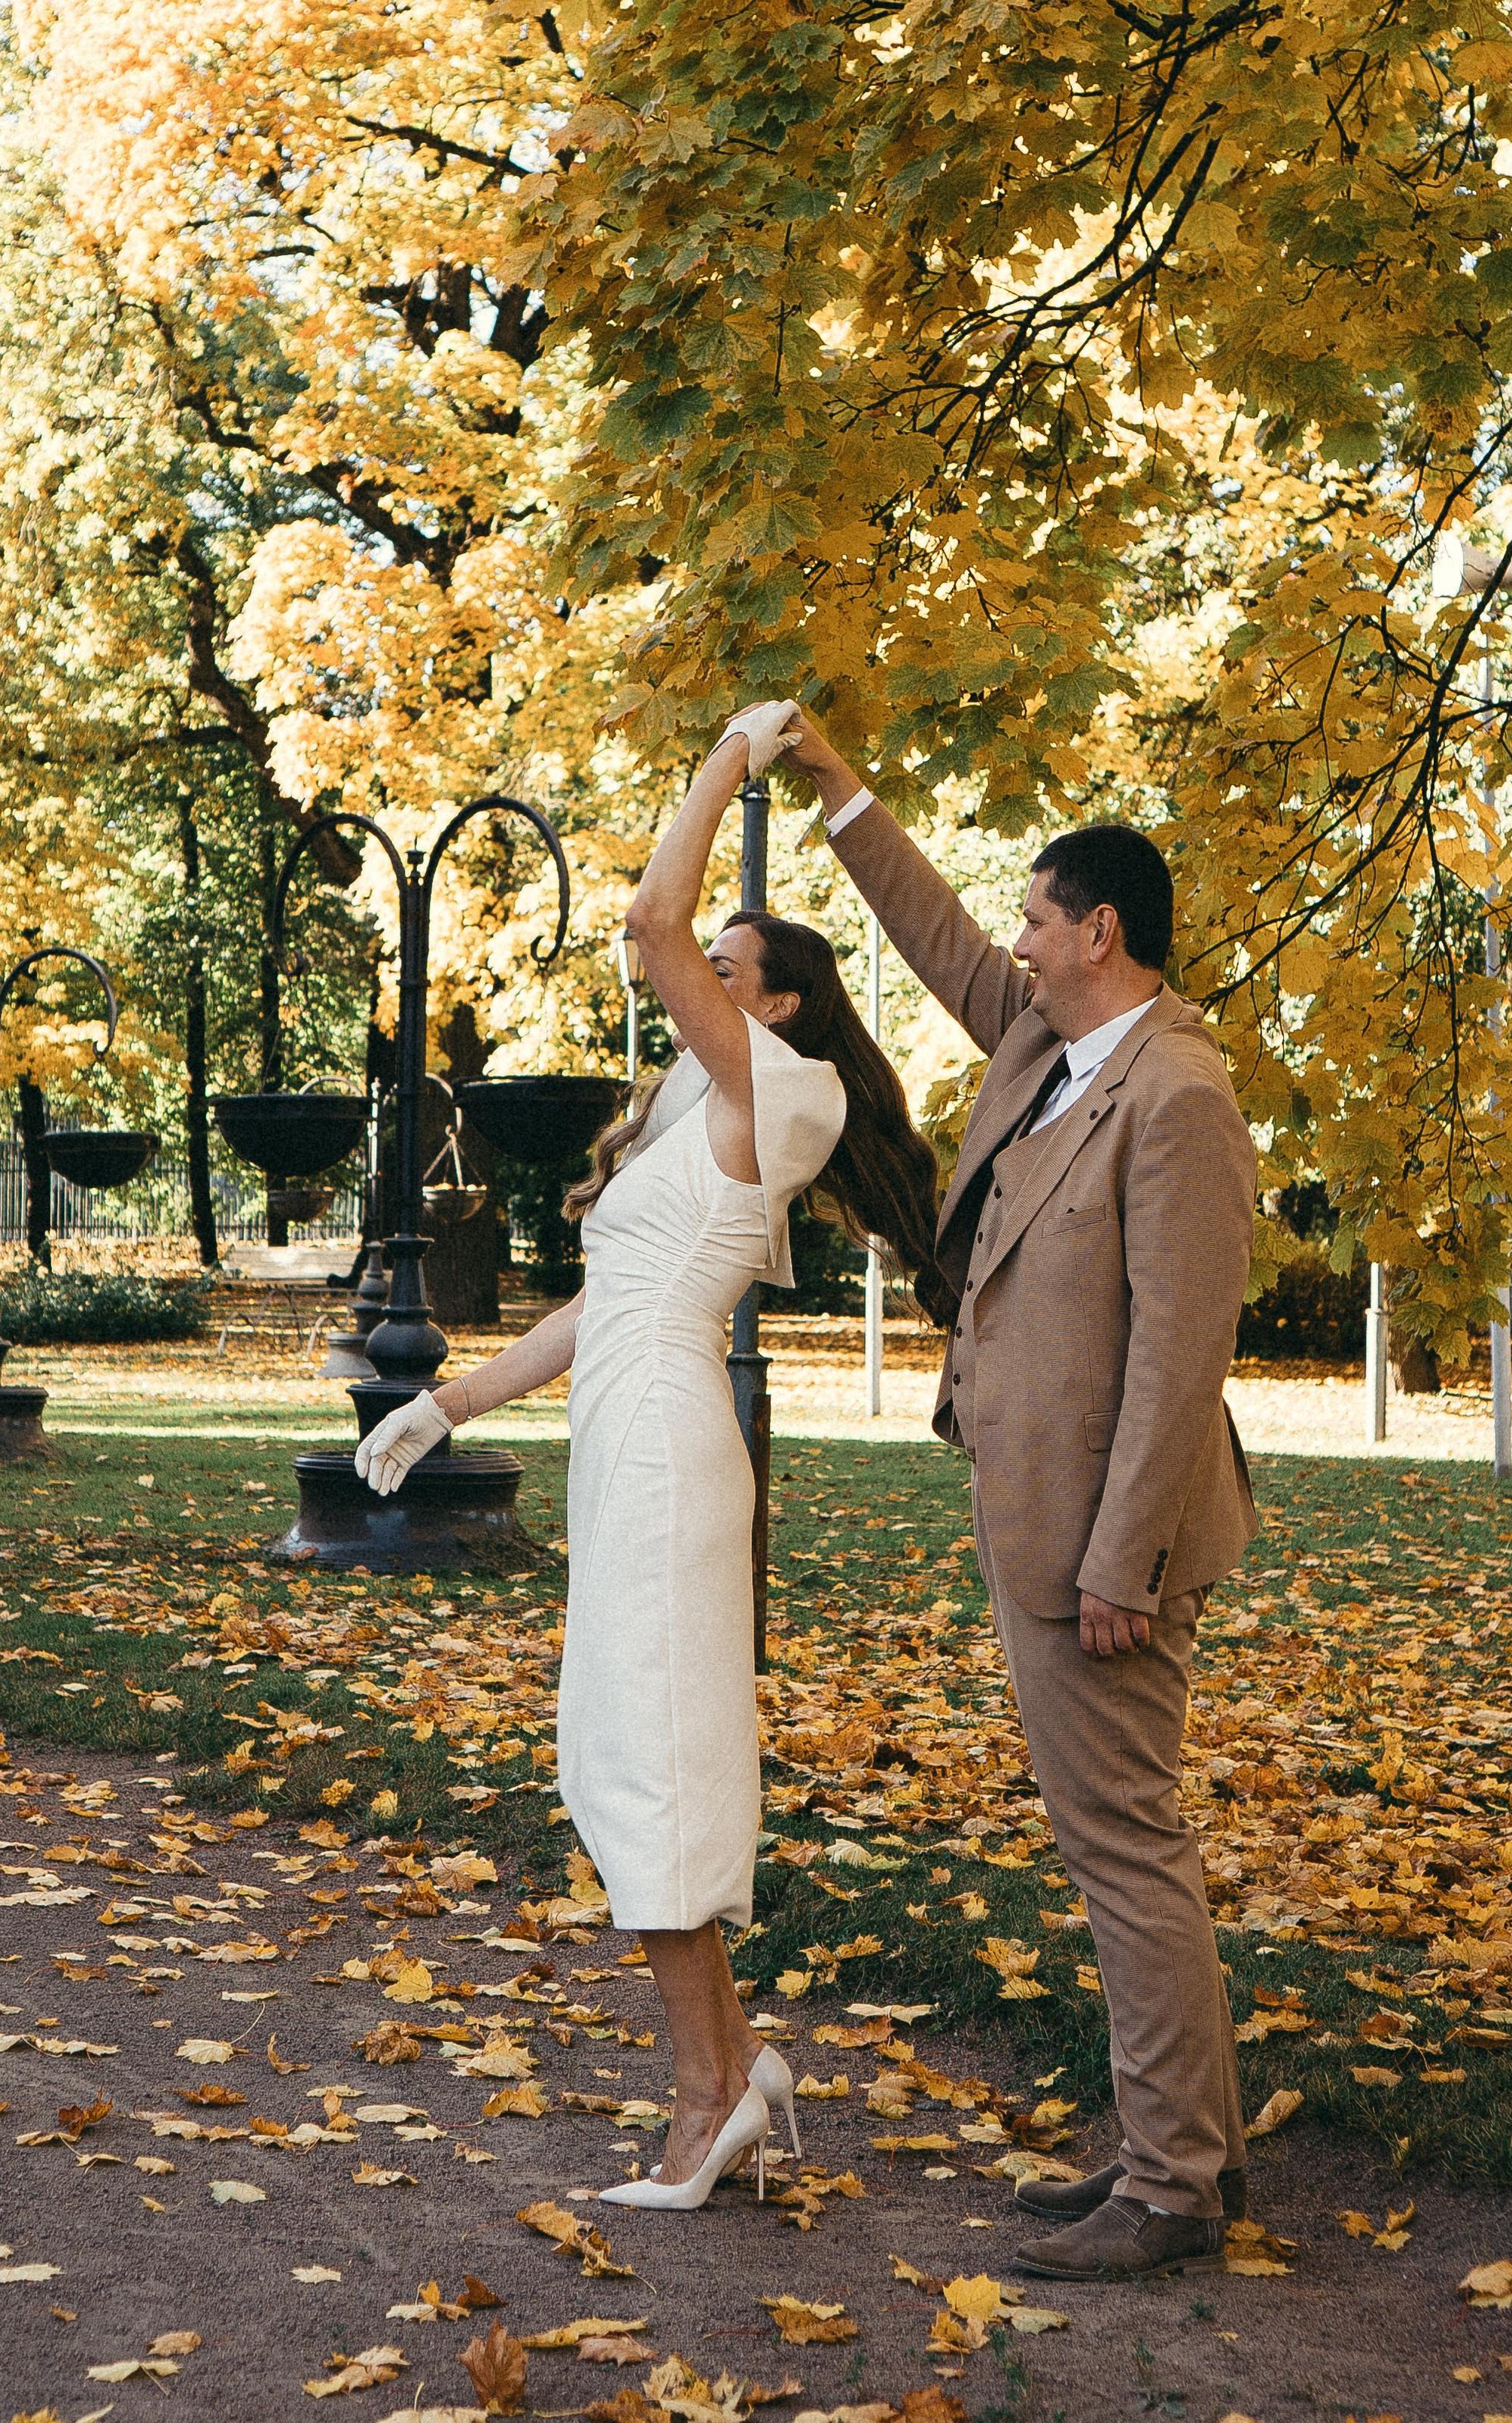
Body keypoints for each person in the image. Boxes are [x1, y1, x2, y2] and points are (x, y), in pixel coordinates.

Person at [353, 702, 943, 2211]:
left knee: (649, 1761)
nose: (698, 982)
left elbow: (646, 914)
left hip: (671, 1447)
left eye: (731, 973)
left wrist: (733, 762)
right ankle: (733, 2068)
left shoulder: (775, 1095)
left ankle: (702, 2104)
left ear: (784, 1007)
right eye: (713, 974)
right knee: (624, 1744)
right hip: (626, 1431)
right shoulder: (692, 1106)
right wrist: (445, 1406)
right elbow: (590, 1310)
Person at [780, 713, 1258, 2282]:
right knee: (1105, 1836)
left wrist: (1121, 1556)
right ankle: (1166, 2152)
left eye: (1038, 918)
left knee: (1122, 1842)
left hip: (1104, 1540)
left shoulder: (1174, 1094)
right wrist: (840, 786)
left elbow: (1179, 1359)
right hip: (1036, 1507)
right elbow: (930, 937)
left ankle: (1175, 2184)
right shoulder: (1047, 1047)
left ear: (1096, 931)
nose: (1017, 941)